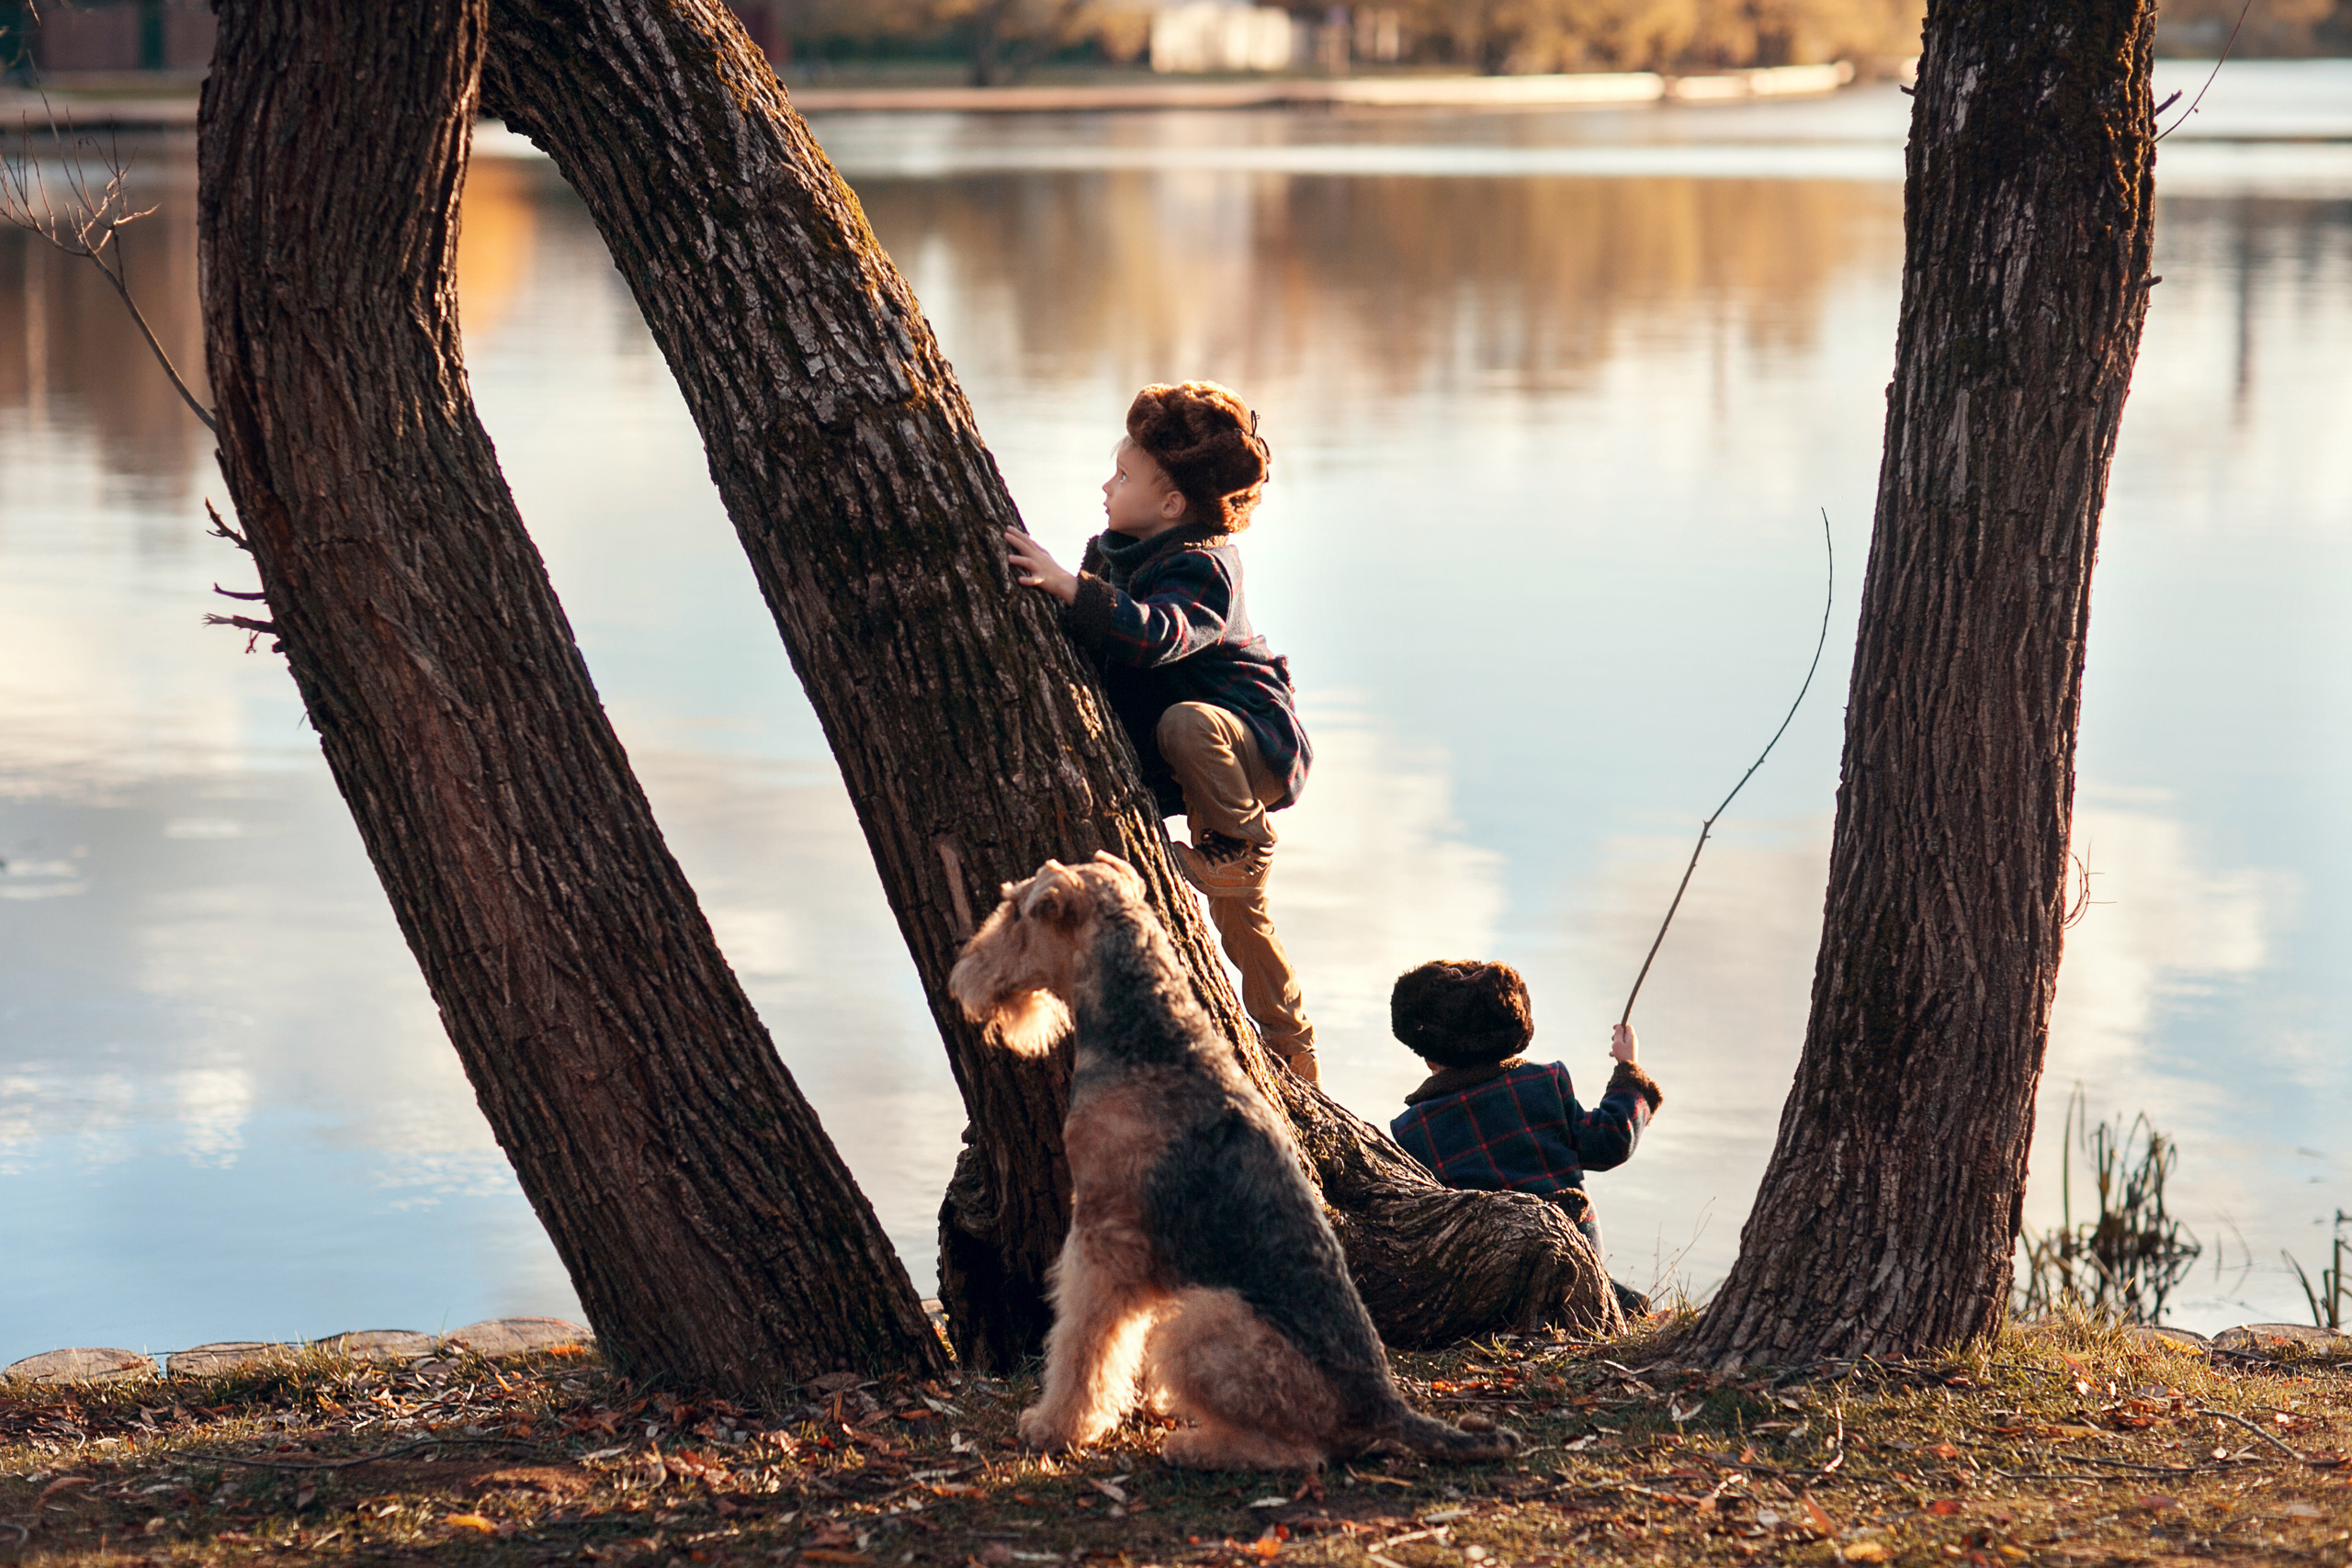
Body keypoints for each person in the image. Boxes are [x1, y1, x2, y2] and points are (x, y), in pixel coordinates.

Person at [1001, 381, 1319, 1081]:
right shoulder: (1113, 551)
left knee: (1185, 721)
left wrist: (1067, 587)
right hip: (1191, 764)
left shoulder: (1203, 566)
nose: (1105, 484)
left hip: (1244, 744)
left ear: (1172, 504)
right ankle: (1291, 1048)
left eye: (1122, 475)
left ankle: (1242, 845)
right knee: (1243, 924)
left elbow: (1156, 636)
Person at [1387, 960, 1662, 1314]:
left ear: (1426, 1055)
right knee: (1614, 1297)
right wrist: (1629, 1071)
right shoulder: (1544, 1084)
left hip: (1488, 1268)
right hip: (1573, 1240)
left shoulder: (1412, 1129)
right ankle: (1618, 1307)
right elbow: (1611, 1141)